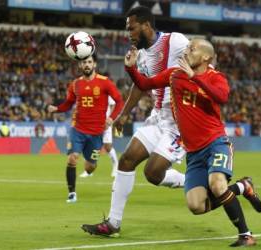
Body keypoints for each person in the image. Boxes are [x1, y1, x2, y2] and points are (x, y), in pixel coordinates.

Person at [122, 38, 261, 247]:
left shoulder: (216, 77)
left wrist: (195, 78)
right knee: (196, 205)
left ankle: (246, 235)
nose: (186, 50)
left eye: (192, 48)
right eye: (187, 47)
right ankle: (243, 187)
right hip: (194, 152)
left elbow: (222, 97)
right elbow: (145, 84)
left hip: (216, 142)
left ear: (206, 56)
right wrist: (131, 68)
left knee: (217, 185)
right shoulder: (175, 74)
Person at [82, 6, 188, 237]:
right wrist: (123, 114)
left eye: (132, 28)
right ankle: (113, 223)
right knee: (127, 160)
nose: (128, 33)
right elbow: (141, 84)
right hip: (158, 119)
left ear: (146, 25)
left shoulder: (176, 41)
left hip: (180, 124)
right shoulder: (140, 54)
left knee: (153, 174)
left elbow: (202, 63)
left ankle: (193, 181)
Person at [48, 53, 124, 203]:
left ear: (94, 64)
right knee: (72, 158)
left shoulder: (105, 82)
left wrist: (111, 118)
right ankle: (72, 193)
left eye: (89, 62)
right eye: (84, 63)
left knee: (91, 166)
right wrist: (57, 109)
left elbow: (119, 101)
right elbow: (68, 104)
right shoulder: (75, 84)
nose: (87, 65)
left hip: (96, 134)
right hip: (78, 129)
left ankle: (90, 165)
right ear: (80, 66)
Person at [80, 96, 119, 178]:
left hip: (105, 123)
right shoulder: (89, 92)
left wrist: (110, 118)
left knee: (108, 146)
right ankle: (88, 171)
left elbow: (113, 105)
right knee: (91, 146)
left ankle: (116, 166)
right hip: (93, 123)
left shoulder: (105, 91)